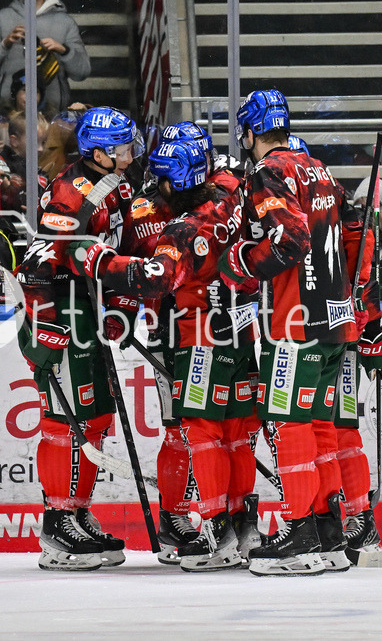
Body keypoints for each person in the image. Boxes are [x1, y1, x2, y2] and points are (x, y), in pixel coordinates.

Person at [71, 137, 264, 572]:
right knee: (228, 433)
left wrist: (98, 260)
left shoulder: (184, 226)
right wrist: (123, 310)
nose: (153, 183)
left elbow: (151, 276)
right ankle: (231, 525)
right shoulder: (227, 198)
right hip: (232, 331)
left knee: (202, 431)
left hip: (198, 336)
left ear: (174, 180)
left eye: (160, 175)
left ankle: (218, 529)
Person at [218, 89, 374, 576]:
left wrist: (242, 264)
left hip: (294, 321)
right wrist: (361, 303)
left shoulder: (270, 172)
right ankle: (329, 531)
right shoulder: (319, 168)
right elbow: (359, 232)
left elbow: (290, 237)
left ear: (250, 132)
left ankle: (299, 532)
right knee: (319, 423)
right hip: (335, 318)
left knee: (287, 424)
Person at [14, 106, 139, 571]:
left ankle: (78, 512)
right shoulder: (71, 192)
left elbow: (119, 253)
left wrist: (121, 305)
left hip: (89, 310)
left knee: (96, 417)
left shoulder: (117, 186)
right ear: (98, 153)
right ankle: (57, 522)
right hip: (61, 312)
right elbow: (35, 265)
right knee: (63, 421)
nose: (130, 155)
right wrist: (45, 324)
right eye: (122, 148)